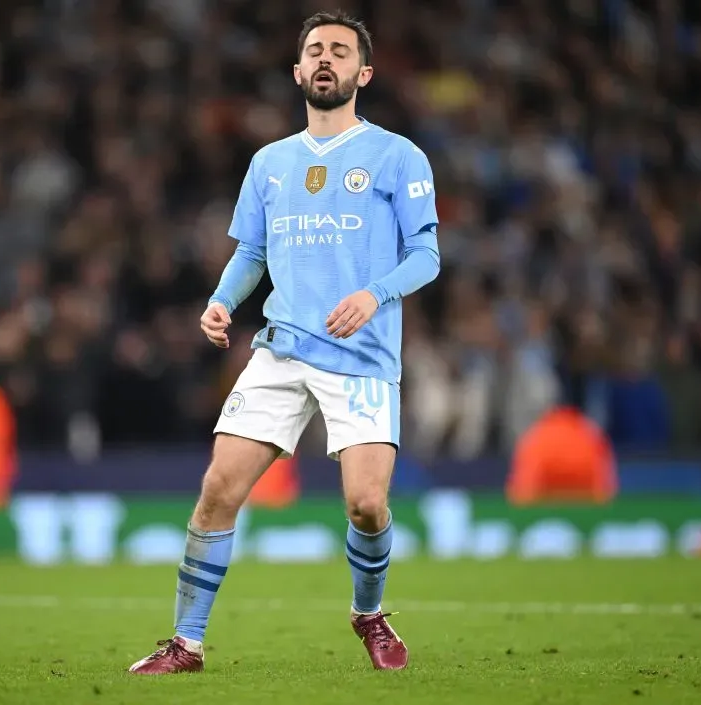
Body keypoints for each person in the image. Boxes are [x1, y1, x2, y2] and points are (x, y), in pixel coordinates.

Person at [128, 10, 441, 675]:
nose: (326, 59)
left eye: (340, 51)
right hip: (281, 348)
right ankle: (186, 643)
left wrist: (374, 293)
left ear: (364, 72)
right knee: (217, 489)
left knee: (367, 502)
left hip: (361, 351)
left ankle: (368, 611)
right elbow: (252, 253)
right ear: (298, 71)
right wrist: (220, 300)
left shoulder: (396, 155)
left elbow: (427, 255)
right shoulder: (270, 163)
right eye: (315, 51)